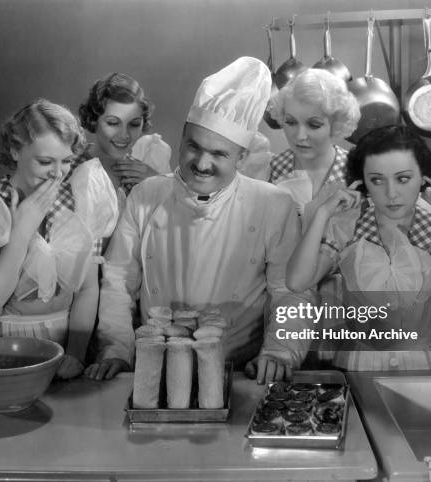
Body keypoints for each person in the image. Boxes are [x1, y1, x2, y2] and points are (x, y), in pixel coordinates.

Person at [84, 57, 316, 383]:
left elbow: (292, 292)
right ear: (182, 138)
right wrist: (116, 349)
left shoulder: (273, 204)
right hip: (155, 370)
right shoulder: (147, 196)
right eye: (194, 147)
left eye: (219, 154)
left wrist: (280, 350)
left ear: (242, 157)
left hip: (236, 375)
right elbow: (118, 282)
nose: (203, 163)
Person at [0, 99, 119, 379]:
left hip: (72, 347)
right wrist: (21, 233)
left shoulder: (81, 199)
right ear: (15, 150)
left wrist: (75, 354)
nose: (57, 173)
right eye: (44, 161)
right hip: (8, 351)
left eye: (66, 161)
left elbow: (88, 288)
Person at [286, 125, 431, 370]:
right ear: (362, 182)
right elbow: (297, 282)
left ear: (424, 177)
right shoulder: (347, 224)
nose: (391, 193)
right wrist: (323, 213)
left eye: (403, 178)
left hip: (420, 366)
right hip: (356, 365)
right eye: (377, 180)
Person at [268, 68, 360, 219]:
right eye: (291, 122)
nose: (300, 136)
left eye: (314, 125)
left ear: (336, 124)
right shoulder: (268, 170)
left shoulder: (355, 171)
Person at [78, 72, 171, 204]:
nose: (124, 135)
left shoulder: (145, 174)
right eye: (113, 123)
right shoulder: (66, 167)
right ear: (93, 120)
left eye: (134, 124)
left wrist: (160, 186)